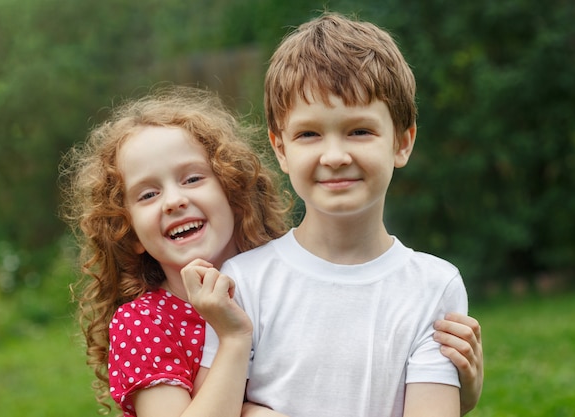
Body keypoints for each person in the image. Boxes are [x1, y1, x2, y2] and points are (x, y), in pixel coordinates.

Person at [198, 12, 482, 417]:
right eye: (309, 134)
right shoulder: (242, 284)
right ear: (281, 149)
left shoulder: (434, 288)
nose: (334, 156)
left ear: (402, 143)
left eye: (360, 131)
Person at [60, 85, 291, 417]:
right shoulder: (143, 324)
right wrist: (233, 339)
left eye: (193, 179)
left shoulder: (285, 287)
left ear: (234, 194)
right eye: (148, 195)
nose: (173, 201)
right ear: (130, 233)